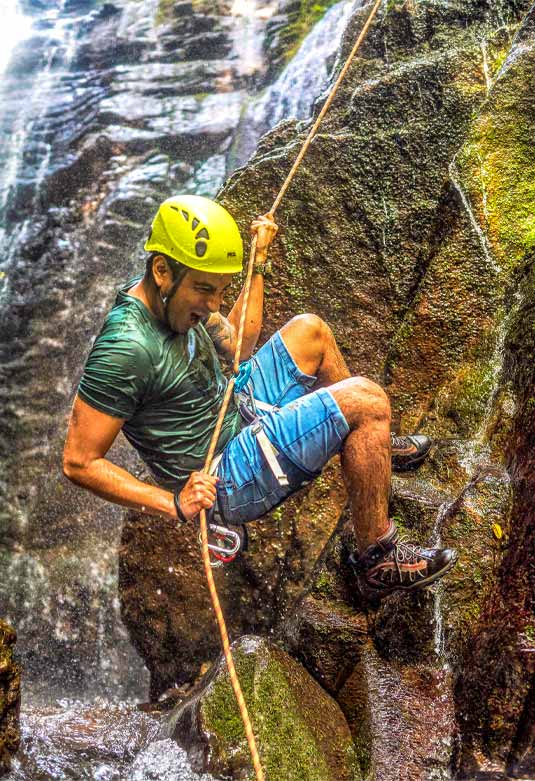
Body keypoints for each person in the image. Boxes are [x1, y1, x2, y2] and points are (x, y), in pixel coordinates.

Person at [63, 195, 456, 597]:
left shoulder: (171, 299)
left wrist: (259, 259)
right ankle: (376, 560)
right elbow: (79, 461)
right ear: (162, 270)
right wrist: (174, 503)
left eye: (220, 291)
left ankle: (371, 449)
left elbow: (237, 347)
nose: (213, 304)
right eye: (204, 290)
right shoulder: (125, 349)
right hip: (226, 473)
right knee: (367, 401)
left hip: (237, 405)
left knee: (310, 331)